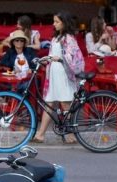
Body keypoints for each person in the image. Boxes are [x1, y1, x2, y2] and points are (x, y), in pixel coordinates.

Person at [33, 12, 84, 144]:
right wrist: (48, 59)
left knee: (65, 103)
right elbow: (54, 54)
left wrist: (58, 58)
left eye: (57, 21)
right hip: (54, 72)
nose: (54, 24)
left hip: (63, 73)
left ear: (64, 23)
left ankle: (69, 134)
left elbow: (71, 56)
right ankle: (41, 134)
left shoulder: (69, 38)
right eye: (54, 21)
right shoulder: (56, 37)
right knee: (49, 102)